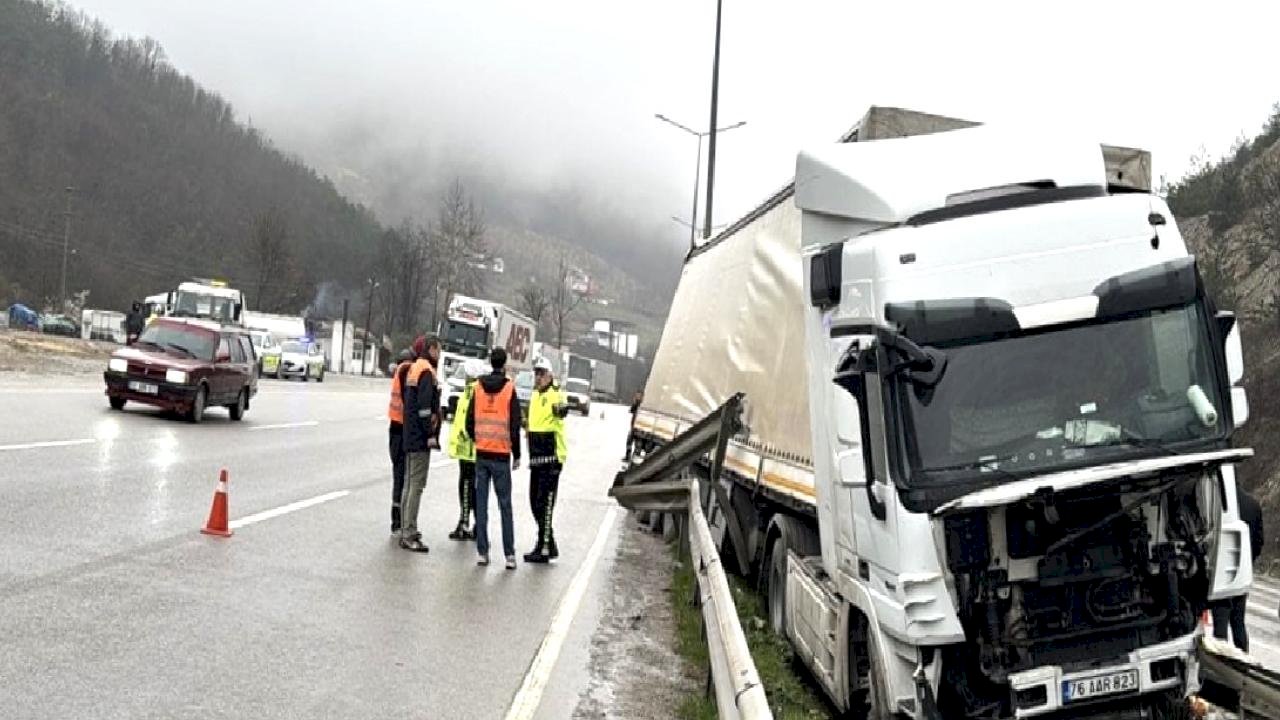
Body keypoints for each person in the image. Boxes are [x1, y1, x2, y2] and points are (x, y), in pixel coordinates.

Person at [463, 347, 522, 569]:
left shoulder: (478, 387)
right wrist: (516, 454)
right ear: (504, 363)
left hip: (482, 454)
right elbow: (514, 425)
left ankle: (482, 552)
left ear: (490, 362)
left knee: (482, 504)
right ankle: (509, 555)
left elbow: (469, 421)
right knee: (505, 505)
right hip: (501, 455)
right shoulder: (509, 389)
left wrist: (478, 439)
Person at [524, 356, 571, 563]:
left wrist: (561, 408)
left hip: (551, 458)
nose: (538, 377)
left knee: (545, 503)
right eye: (536, 373)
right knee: (534, 503)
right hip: (536, 458)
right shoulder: (535, 395)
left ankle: (543, 546)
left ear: (550, 375)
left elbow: (562, 408)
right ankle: (548, 542)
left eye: (542, 373)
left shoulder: (556, 393)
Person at [399, 335, 442, 553]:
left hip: (409, 434)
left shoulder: (415, 368)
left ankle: (405, 528)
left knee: (408, 484)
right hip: (419, 438)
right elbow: (425, 408)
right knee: (416, 485)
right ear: (432, 349)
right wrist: (430, 433)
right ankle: (409, 532)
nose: (440, 354)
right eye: (439, 350)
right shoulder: (427, 372)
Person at [1213, 486, 1263, 651]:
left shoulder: (1218, 504)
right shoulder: (1253, 504)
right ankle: (1243, 659)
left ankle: (1220, 663)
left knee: (1220, 621)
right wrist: (1247, 562)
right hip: (1242, 572)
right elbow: (1259, 541)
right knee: (1238, 621)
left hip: (1221, 572)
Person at [447, 359, 487, 541]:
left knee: (467, 487)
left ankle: (465, 523)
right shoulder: (472, 391)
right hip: (468, 449)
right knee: (473, 488)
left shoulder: (474, 392)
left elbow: (470, 420)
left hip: (470, 450)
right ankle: (476, 526)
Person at [387, 348, 414, 534]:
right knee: (403, 477)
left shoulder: (398, 374)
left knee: (398, 475)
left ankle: (396, 519)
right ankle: (399, 521)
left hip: (394, 428)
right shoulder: (406, 372)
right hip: (403, 429)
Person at [624, 390, 643, 460]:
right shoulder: (636, 404)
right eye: (636, 395)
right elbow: (631, 410)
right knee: (629, 441)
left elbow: (632, 410)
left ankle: (633, 458)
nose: (637, 397)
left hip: (639, 426)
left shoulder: (642, 404)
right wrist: (634, 402)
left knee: (637, 443)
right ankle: (628, 456)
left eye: (639, 395)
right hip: (634, 426)